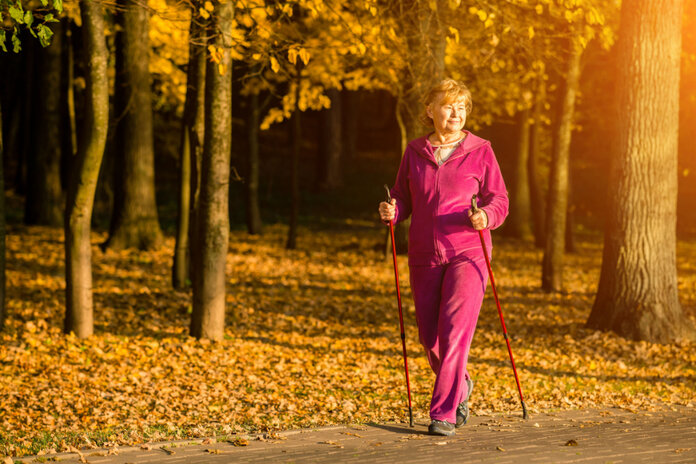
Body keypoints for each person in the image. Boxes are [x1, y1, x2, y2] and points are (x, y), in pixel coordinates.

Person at [378, 79, 509, 436]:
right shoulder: (415, 151)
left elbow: (499, 199)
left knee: (454, 334)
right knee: (430, 338)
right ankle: (461, 384)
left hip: (469, 252)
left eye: (462, 107)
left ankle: (443, 412)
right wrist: (394, 209)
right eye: (449, 106)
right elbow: (405, 197)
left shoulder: (481, 150)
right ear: (430, 111)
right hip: (424, 254)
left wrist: (486, 216)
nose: (456, 113)